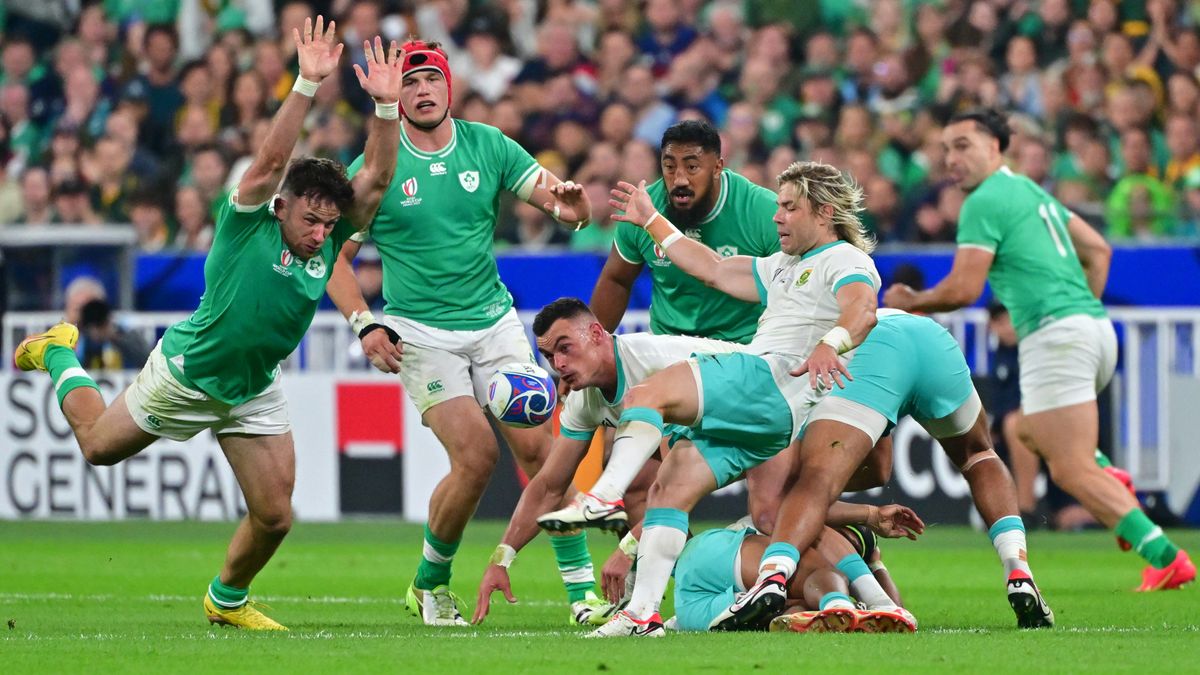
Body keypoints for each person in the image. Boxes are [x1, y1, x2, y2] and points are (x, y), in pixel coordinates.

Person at [13, 17, 403, 630]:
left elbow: (377, 179)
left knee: (275, 517)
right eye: (311, 220)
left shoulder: (325, 242)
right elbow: (273, 157)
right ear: (282, 206)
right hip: (188, 374)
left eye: (331, 223)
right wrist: (305, 82)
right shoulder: (246, 219)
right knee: (96, 448)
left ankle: (225, 601)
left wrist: (385, 107)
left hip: (252, 389)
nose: (322, 233)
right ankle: (61, 351)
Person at [325, 39, 602, 627]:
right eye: (410, 82)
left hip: (494, 324)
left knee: (542, 452)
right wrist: (365, 323)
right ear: (393, 95)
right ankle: (430, 583)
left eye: (432, 80)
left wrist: (573, 208)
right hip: (421, 334)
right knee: (475, 457)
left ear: (450, 87)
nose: (422, 91)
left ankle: (582, 597)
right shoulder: (375, 166)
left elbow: (561, 203)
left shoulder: (489, 144)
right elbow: (335, 259)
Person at [882, 108, 1194, 591]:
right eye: (946, 149)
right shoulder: (1030, 191)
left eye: (963, 145)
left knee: (1069, 469)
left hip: (1057, 335)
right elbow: (1099, 251)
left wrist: (912, 300)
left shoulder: (983, 201)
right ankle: (1111, 478)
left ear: (996, 147)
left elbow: (965, 288)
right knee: (1026, 430)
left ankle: (1164, 554)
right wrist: (1081, 309)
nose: (951, 159)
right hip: (1094, 329)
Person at [575, 161, 888, 638]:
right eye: (777, 206)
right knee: (670, 487)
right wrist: (650, 218)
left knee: (648, 392)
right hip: (766, 419)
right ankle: (642, 616)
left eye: (789, 207)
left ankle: (603, 494)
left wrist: (832, 342)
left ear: (824, 213)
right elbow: (714, 268)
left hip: (767, 378)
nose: (777, 217)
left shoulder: (844, 259)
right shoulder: (783, 265)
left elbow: (862, 308)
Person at [472, 298, 915, 632]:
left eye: (565, 349)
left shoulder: (650, 368)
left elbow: (677, 474)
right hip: (731, 425)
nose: (558, 365)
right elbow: (549, 484)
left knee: (771, 514)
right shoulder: (585, 402)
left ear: (597, 335)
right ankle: (641, 615)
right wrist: (502, 558)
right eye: (549, 357)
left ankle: (874, 584)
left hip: (770, 397)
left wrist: (627, 548)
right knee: (709, 499)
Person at [717, 309, 1054, 632]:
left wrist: (822, 495)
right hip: (928, 338)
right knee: (979, 454)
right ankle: (1019, 571)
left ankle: (771, 579)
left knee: (814, 480)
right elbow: (880, 469)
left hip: (873, 349)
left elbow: (771, 511)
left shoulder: (769, 392)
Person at [587, 119, 787, 536]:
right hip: (669, 356)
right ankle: (650, 588)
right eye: (669, 165)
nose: (679, 178)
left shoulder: (761, 212)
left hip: (740, 361)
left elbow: (789, 295)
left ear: (719, 166)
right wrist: (591, 353)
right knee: (638, 483)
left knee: (770, 504)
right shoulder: (643, 208)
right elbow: (616, 280)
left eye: (692, 166)